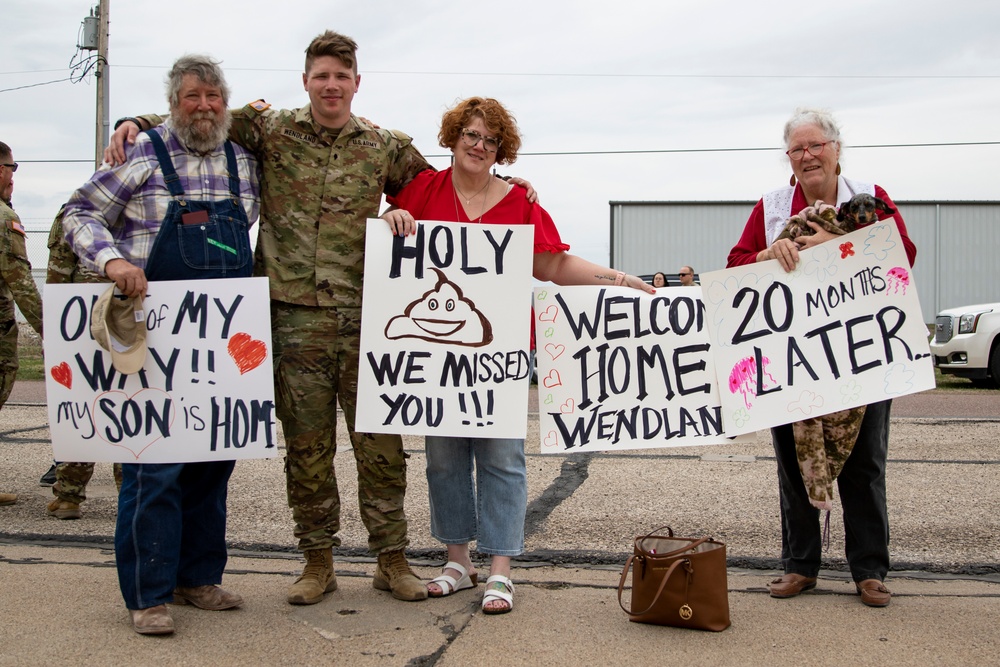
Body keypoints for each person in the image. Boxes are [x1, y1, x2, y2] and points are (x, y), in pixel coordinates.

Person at [107, 31, 456, 605]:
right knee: (308, 448)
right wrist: (132, 122)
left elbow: (438, 191)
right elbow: (199, 111)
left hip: (368, 319)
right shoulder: (270, 128)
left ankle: (391, 560)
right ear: (305, 82)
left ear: (356, 83)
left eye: (341, 77)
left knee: (381, 444)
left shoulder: (384, 145)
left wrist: (501, 188)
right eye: (321, 76)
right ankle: (317, 562)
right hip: (292, 319)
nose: (331, 86)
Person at [382, 96, 654, 614]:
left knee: (503, 456)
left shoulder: (518, 202)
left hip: (497, 354)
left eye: (490, 139)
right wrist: (393, 216)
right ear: (453, 136)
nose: (479, 145)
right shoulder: (422, 190)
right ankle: (457, 562)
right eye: (470, 134)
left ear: (501, 148)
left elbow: (552, 264)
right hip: (433, 356)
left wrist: (617, 278)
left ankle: (501, 568)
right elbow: (388, 244)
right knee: (443, 458)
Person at [63, 55, 260, 635]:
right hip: (154, 344)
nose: (203, 106)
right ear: (172, 104)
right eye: (191, 97)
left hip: (219, 345)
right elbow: (78, 211)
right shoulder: (143, 152)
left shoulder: (244, 161)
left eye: (213, 97)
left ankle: (198, 577)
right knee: (155, 467)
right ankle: (147, 593)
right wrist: (113, 259)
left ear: (225, 104)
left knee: (211, 464)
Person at [727, 107, 916, 608]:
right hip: (796, 357)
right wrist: (771, 253)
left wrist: (840, 243)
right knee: (793, 462)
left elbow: (905, 252)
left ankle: (869, 570)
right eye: (797, 149)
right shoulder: (771, 208)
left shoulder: (868, 198)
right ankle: (800, 565)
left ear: (836, 149)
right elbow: (735, 265)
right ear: (789, 160)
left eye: (816, 146)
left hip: (862, 354)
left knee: (865, 463)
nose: (808, 156)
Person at [44, 208, 123, 520]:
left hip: (83, 318)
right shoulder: (147, 202)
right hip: (120, 316)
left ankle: (68, 495)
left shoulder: (76, 211)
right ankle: (130, 493)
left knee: (83, 405)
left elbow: (58, 272)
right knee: (127, 403)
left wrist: (55, 330)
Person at [0, 142, 44, 508]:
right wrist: (52, 330)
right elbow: (20, 281)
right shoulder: (3, 218)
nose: (13, 178)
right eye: (12, 169)